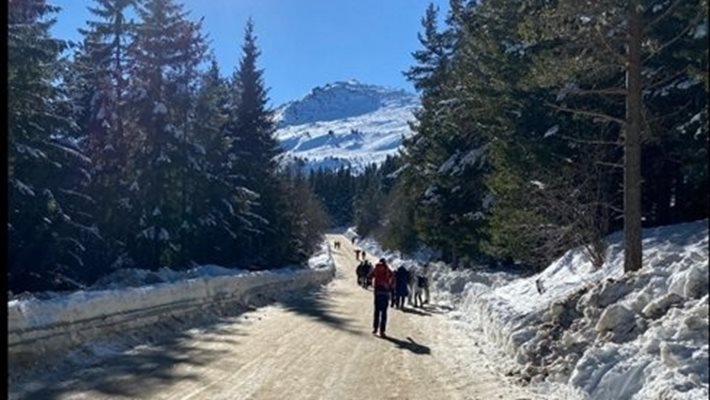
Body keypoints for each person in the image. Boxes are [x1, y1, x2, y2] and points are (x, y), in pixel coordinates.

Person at [368, 258, 393, 337]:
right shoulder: (387, 269)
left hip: (377, 293)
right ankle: (382, 331)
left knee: (377, 312)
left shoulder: (376, 268)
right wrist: (389, 285)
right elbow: (392, 277)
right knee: (384, 313)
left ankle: (375, 328)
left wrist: (371, 282)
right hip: (385, 293)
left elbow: (370, 276)